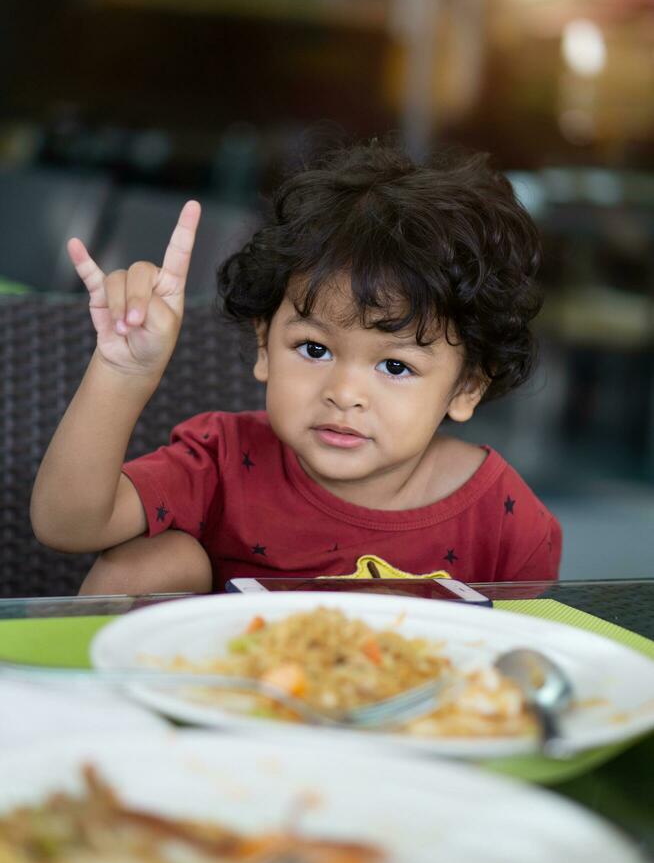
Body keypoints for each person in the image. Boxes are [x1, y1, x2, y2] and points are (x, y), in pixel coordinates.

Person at [30, 141, 562, 595]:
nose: (344, 392)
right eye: (314, 349)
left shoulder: (506, 520)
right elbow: (68, 524)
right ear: (265, 344)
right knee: (152, 561)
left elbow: (528, 672)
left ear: (465, 387)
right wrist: (123, 372)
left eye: (395, 365)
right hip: (231, 703)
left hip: (422, 715)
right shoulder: (223, 462)